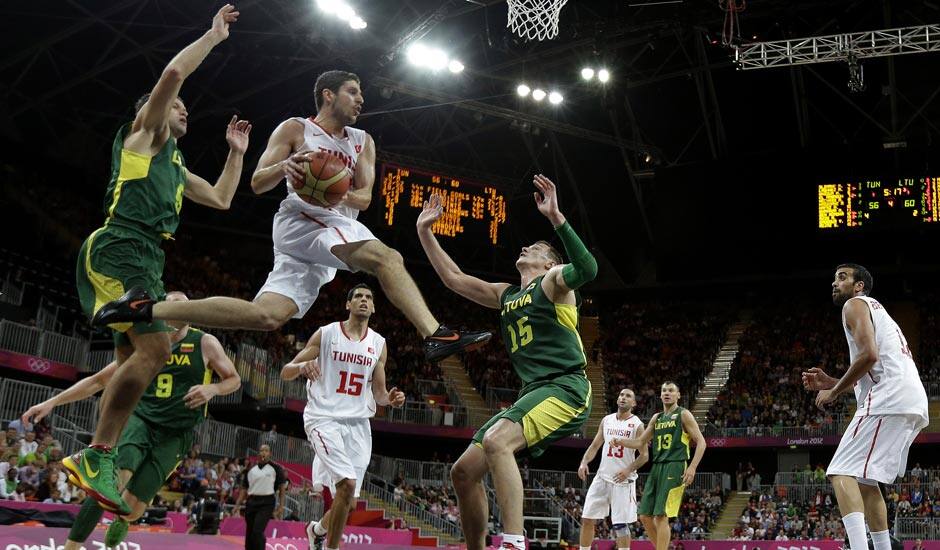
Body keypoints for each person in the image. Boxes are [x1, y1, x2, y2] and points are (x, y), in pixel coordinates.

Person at [93, 70, 489, 364]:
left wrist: (333, 187)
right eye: (354, 92)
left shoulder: (362, 142)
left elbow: (366, 198)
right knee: (388, 258)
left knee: (266, 316)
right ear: (327, 95)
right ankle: (435, 334)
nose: (361, 99)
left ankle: (146, 308)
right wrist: (288, 169)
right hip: (302, 221)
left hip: (333, 226)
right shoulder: (296, 129)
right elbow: (258, 182)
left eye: (362, 94)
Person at [64, 4, 249, 515]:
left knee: (133, 360)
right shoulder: (146, 135)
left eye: (184, 107)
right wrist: (212, 37)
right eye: (177, 106)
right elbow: (171, 73)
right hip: (121, 246)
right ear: (156, 111)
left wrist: (235, 152)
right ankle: (97, 453)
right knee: (155, 351)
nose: (184, 109)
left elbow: (220, 199)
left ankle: (98, 455)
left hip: (146, 257)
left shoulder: (175, 161)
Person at [416, 174, 597, 550]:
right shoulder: (507, 293)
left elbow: (589, 270)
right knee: (463, 473)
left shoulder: (553, 282)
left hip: (566, 388)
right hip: (532, 392)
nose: (526, 246)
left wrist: (556, 218)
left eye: (536, 247)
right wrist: (425, 232)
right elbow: (453, 279)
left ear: (549, 262)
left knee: (498, 442)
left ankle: (514, 542)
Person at [22, 291, 240, 549]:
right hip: (140, 421)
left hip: (177, 434)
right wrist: (51, 402)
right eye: (168, 306)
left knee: (133, 510)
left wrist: (213, 389)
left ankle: (123, 522)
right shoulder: (147, 342)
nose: (173, 311)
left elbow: (234, 379)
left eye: (180, 307)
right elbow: (97, 380)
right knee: (110, 481)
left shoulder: (205, 343)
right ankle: (72, 546)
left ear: (190, 313)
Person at [802, 264, 929, 550]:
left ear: (859, 286)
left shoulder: (854, 305)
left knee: (839, 471)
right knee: (866, 481)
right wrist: (832, 381)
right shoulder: (879, 312)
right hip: (908, 400)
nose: (835, 282)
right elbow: (873, 370)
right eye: (834, 277)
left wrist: (832, 391)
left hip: (890, 399)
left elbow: (869, 356)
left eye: (843, 277)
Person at [278, 283, 405, 550]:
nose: (363, 300)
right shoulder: (326, 334)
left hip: (358, 424)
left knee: (348, 503)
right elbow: (286, 372)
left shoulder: (378, 344)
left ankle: (316, 530)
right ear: (348, 304)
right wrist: (303, 366)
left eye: (368, 297)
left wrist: (390, 400)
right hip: (323, 418)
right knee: (346, 485)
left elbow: (379, 394)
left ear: (373, 307)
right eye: (357, 296)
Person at [617, 382, 707, 550]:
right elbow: (639, 442)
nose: (667, 393)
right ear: (660, 395)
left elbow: (701, 442)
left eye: (671, 390)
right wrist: (620, 441)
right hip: (657, 466)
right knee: (644, 516)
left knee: (661, 516)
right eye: (664, 390)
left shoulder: (683, 414)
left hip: (675, 465)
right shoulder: (656, 418)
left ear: (678, 395)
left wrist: (692, 467)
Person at [577, 388, 648, 550]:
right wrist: (584, 462)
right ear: (617, 399)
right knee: (587, 519)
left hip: (622, 481)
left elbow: (644, 456)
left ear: (634, 403)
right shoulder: (607, 420)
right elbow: (595, 445)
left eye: (628, 396)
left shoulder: (637, 425)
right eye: (621, 394)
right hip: (602, 478)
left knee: (620, 526)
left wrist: (628, 470)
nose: (623, 397)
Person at [232, 445, 288, 550]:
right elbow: (244, 490)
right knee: (249, 532)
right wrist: (237, 505)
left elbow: (282, 488)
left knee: (257, 530)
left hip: (267, 503)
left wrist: (281, 506)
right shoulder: (251, 470)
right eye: (261, 450)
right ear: (258, 453)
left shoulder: (276, 468)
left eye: (266, 451)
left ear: (270, 453)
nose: (263, 453)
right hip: (251, 502)